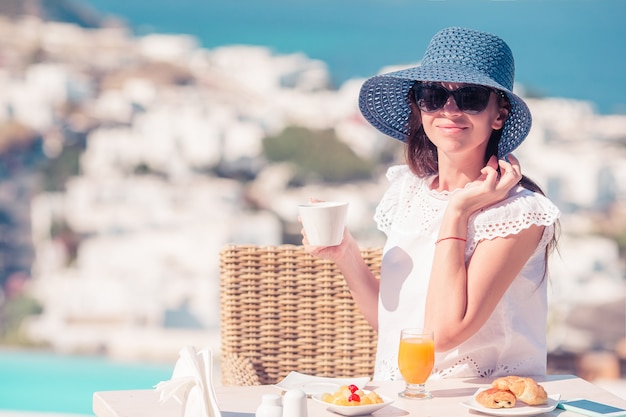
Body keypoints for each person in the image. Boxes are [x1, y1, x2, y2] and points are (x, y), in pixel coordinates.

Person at [302, 27, 560, 380]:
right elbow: (395, 326)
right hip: (401, 397)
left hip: (480, 404)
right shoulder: (409, 191)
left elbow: (442, 334)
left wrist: (458, 211)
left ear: (498, 115)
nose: (449, 110)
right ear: (420, 107)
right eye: (434, 95)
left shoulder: (518, 214)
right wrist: (346, 253)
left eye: (469, 97)